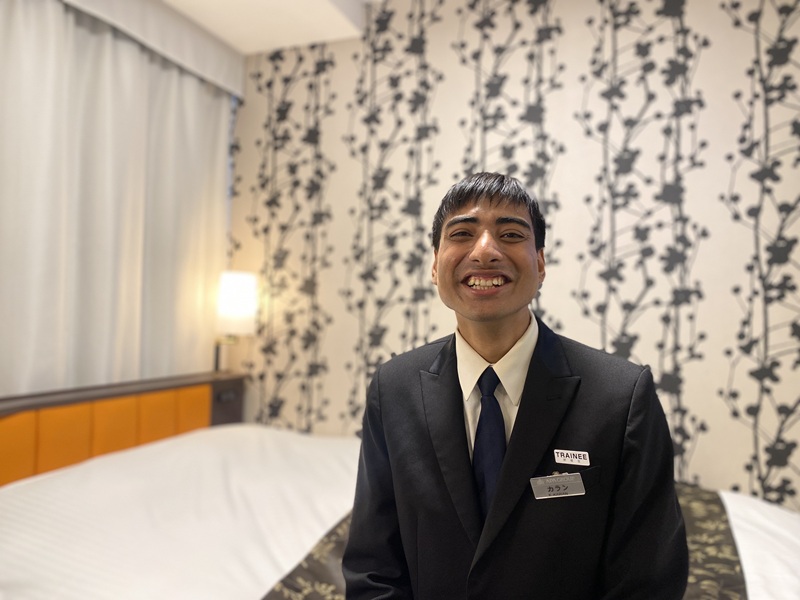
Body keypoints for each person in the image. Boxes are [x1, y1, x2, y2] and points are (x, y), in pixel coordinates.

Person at [342, 172, 688, 599]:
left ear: (540, 263)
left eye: (509, 234)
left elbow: (648, 580)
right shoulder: (392, 390)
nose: (485, 251)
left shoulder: (622, 397)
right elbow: (373, 567)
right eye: (462, 233)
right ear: (435, 265)